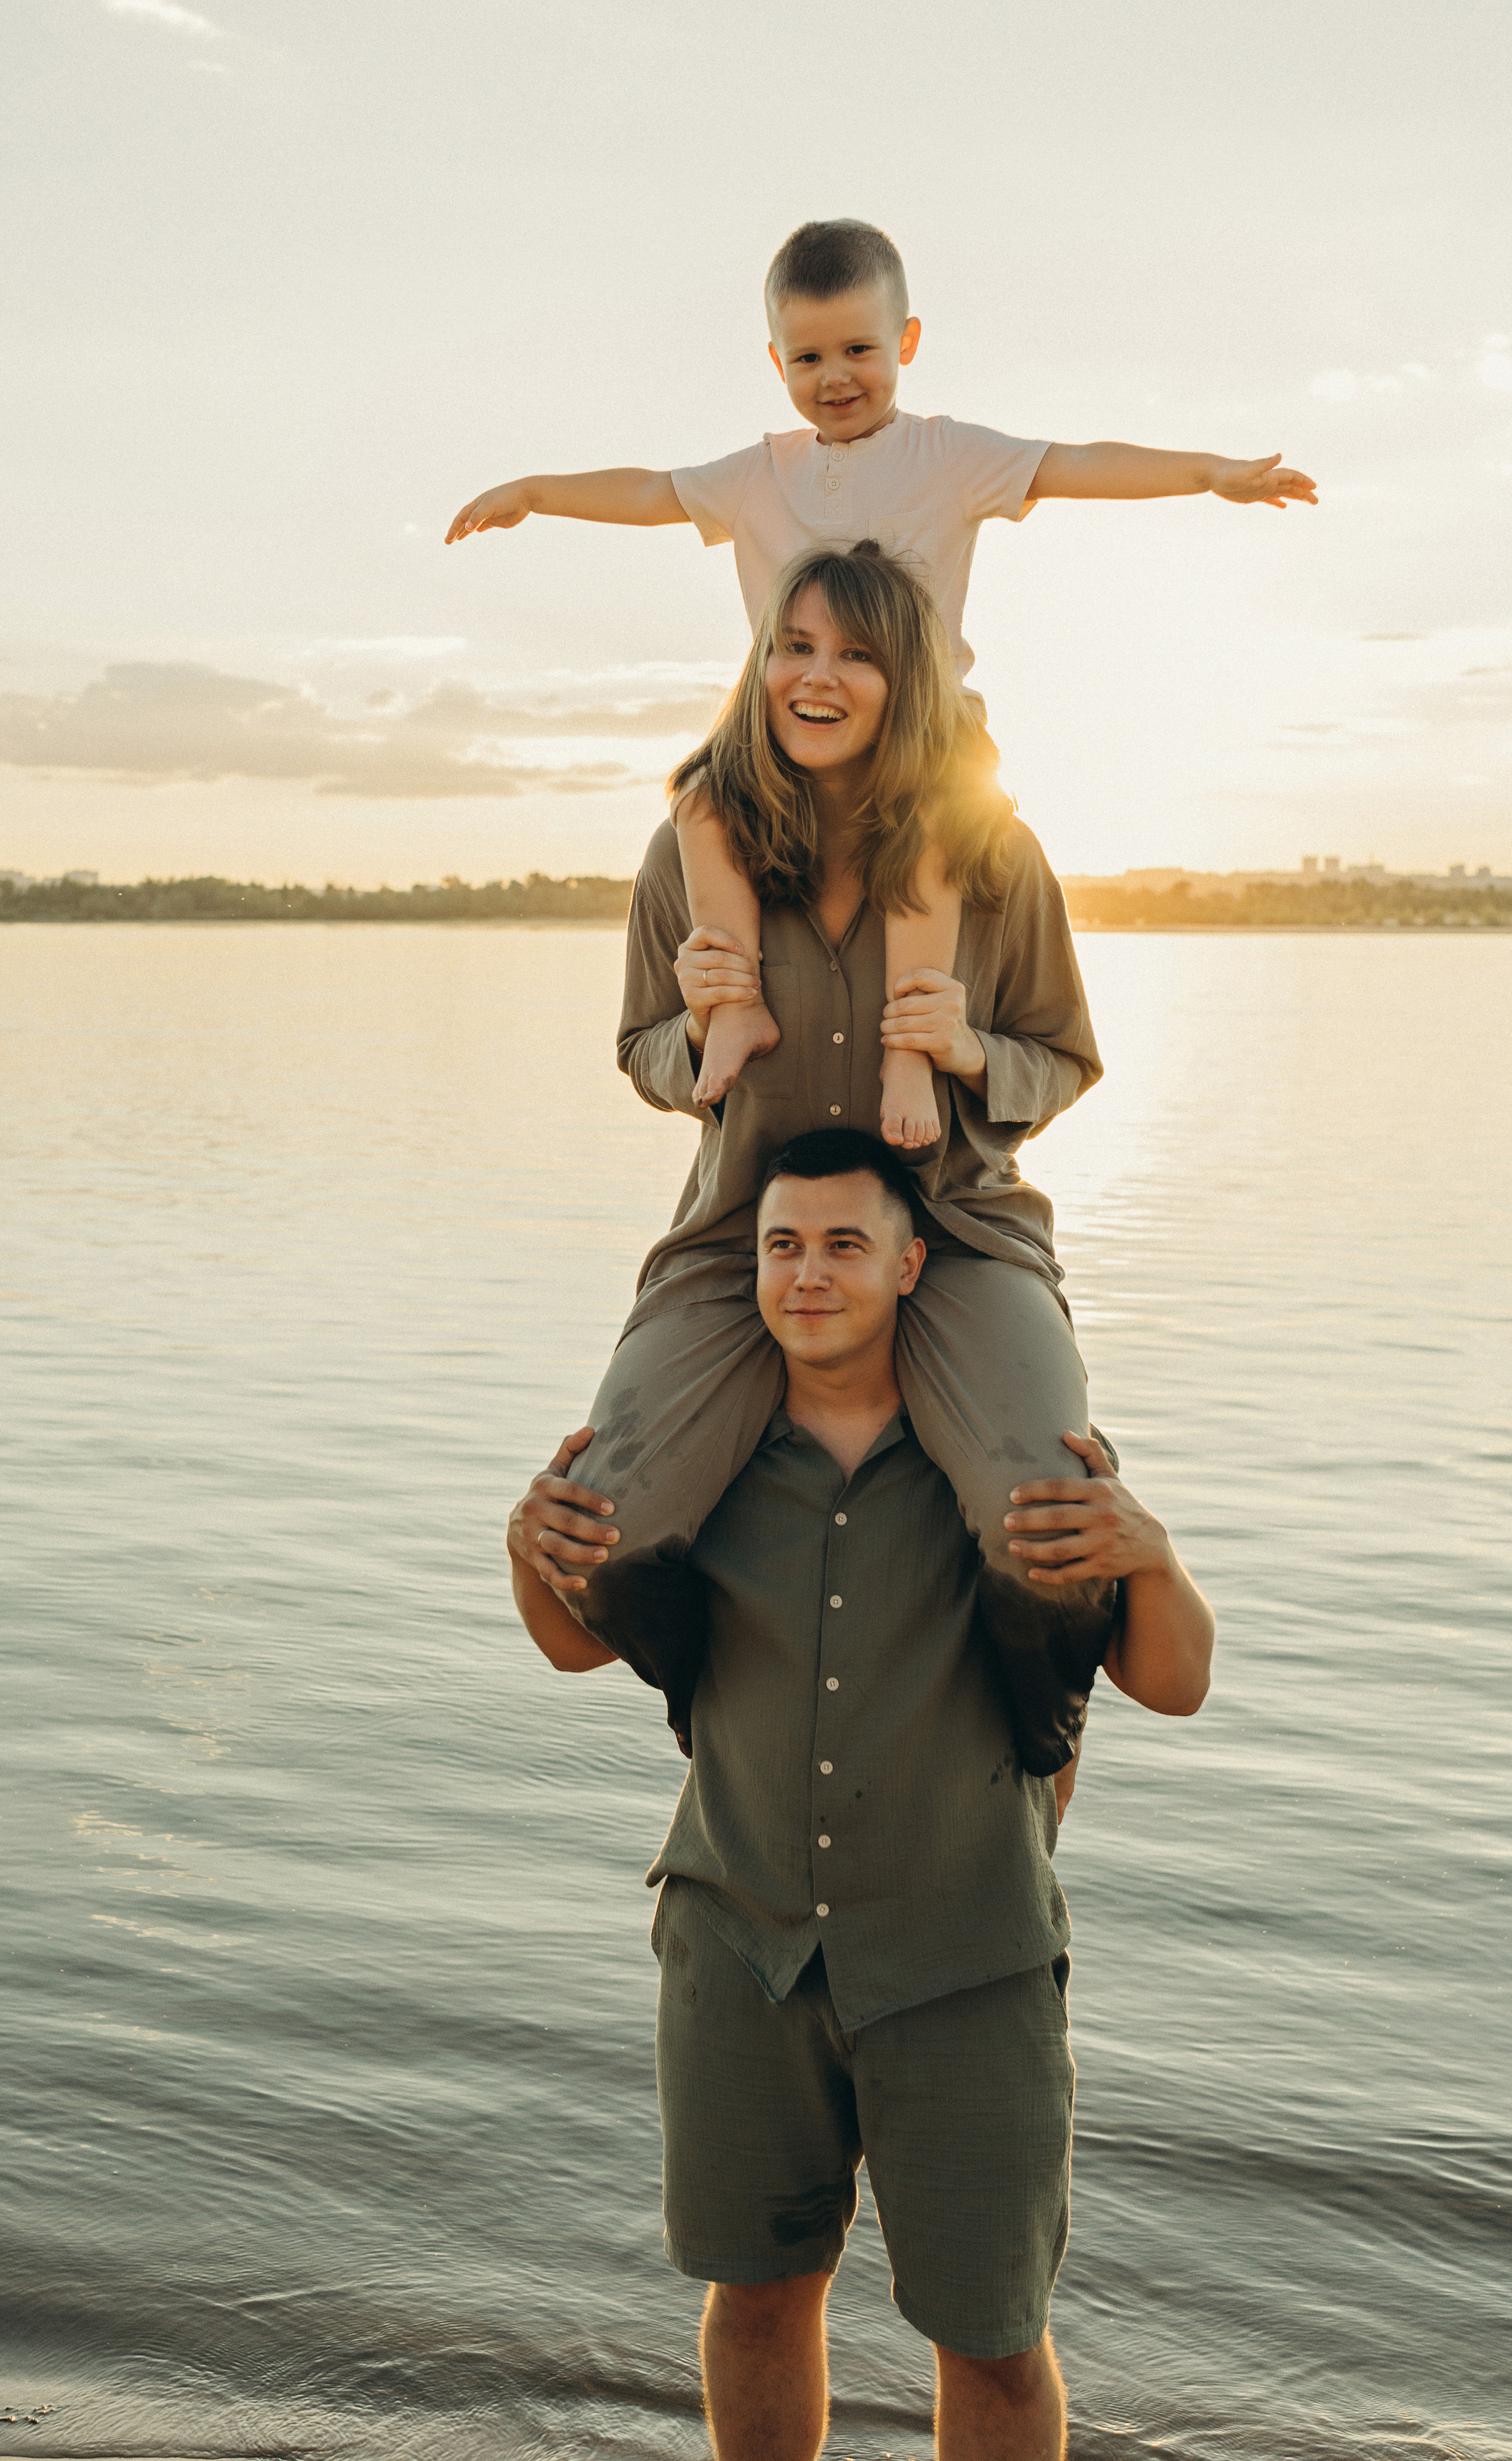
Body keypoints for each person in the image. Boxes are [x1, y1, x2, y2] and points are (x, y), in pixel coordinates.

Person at [508, 1132, 1214, 2461]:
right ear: (750, 1266)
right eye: (782, 1245)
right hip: (740, 1946)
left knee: (994, 2339)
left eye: (844, 1245)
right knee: (758, 2295)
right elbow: (567, 1644)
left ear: (911, 1264)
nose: (810, 1275)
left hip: (969, 1964)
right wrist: (523, 1546)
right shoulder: (696, 1465)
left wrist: (1156, 1558)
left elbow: (1172, 1686)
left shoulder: (1012, 1460)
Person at [447, 214, 1315, 1143]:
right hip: (787, 737)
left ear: (906, 343)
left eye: (859, 349)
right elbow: (650, 492)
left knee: (932, 819)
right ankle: (733, 1008)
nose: (836, 377)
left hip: (928, 729)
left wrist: (1210, 473)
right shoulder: (758, 474)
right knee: (699, 797)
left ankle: (908, 1054)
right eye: (809, 356)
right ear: (776, 363)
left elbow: (1078, 465)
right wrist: (536, 492)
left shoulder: (950, 456)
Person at [547, 537, 1111, 1770]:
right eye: (794, 647)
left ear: (905, 679)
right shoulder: (688, 856)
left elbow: (1062, 1059)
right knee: (605, 1533)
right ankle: (729, 1733)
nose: (818, 677)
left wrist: (969, 1050)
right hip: (746, 1239)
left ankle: (1040, 1750)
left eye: (855, 655)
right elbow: (642, 1047)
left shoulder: (996, 860)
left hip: (961, 1233)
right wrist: (694, 1035)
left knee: (1052, 1537)